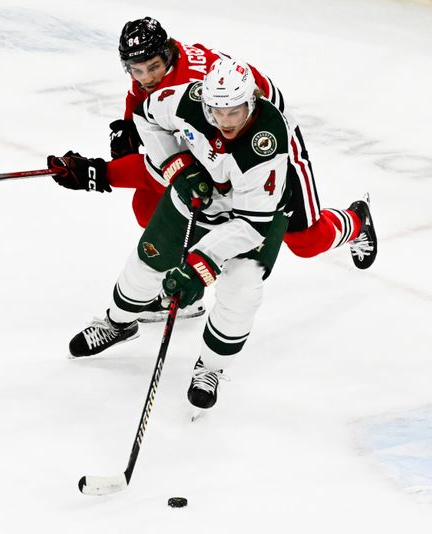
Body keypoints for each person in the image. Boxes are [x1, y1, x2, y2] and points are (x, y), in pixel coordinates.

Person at [59, 57, 301, 411]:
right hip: (198, 195)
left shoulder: (267, 139)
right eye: (218, 111)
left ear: (251, 101)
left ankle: (211, 368)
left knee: (242, 289)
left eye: (235, 111)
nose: (226, 121)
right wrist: (178, 167)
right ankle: (117, 324)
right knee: (147, 263)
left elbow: (250, 224)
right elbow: (146, 116)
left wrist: (199, 265)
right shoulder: (187, 100)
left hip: (257, 214)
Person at [48, 17, 377, 273]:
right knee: (147, 207)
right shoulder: (157, 71)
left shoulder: (192, 91)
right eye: (137, 70)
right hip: (223, 135)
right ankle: (181, 274)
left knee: (307, 242)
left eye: (153, 68)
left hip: (267, 144)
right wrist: (127, 132)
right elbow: (143, 105)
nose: (146, 77)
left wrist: (101, 174)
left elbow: (169, 170)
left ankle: (356, 220)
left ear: (168, 56)